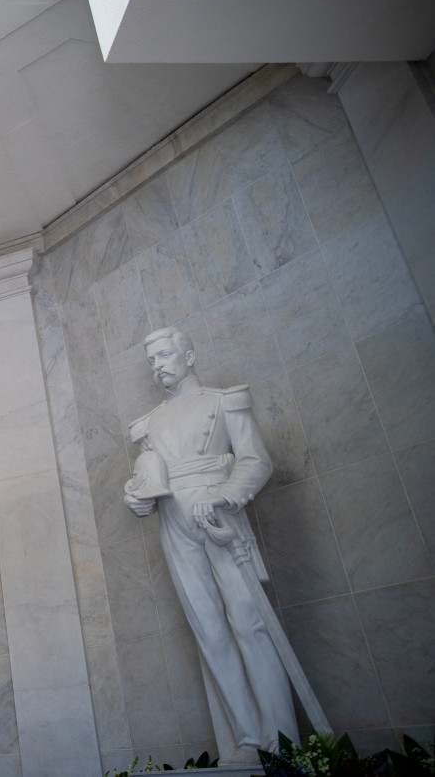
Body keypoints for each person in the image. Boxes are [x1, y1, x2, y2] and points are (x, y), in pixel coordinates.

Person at [124, 327, 295, 764]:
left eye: (164, 355)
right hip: (174, 523)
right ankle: (247, 739)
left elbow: (256, 460)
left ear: (189, 356)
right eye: (151, 360)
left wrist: (224, 494)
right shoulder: (148, 425)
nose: (158, 365)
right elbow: (148, 482)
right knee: (209, 630)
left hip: (219, 516)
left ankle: (283, 741)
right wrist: (139, 500)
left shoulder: (224, 402)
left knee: (250, 623)